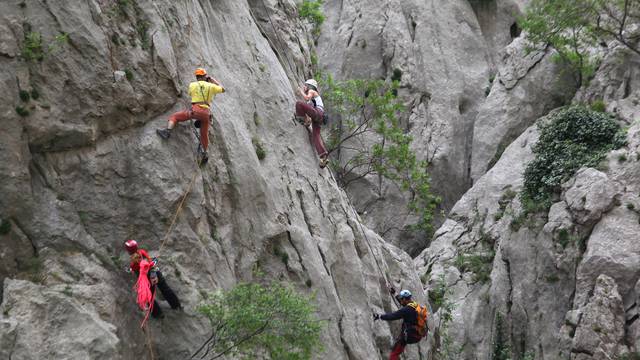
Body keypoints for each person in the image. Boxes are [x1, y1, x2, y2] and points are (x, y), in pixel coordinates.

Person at [157, 68, 225, 165]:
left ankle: (167, 132)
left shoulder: (192, 85)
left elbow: (190, 94)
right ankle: (205, 153)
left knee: (175, 117)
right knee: (204, 134)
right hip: (206, 114)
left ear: (197, 77)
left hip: (195, 111)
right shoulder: (211, 86)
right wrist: (212, 80)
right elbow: (223, 89)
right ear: (205, 76)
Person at [124, 239, 182, 318]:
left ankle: (158, 314)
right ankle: (176, 305)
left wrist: (129, 270)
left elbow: (134, 269)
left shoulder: (133, 264)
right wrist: (154, 274)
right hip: (155, 272)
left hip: (146, 279)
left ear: (128, 251)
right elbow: (151, 263)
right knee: (165, 288)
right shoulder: (142, 252)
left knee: (148, 296)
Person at [373, 289, 424, 360]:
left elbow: (393, 316)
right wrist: (394, 293)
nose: (401, 301)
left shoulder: (406, 310)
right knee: (398, 348)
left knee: (394, 353)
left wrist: (379, 316)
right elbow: (403, 303)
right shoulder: (416, 305)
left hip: (409, 335)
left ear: (405, 299)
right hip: (417, 334)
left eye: (401, 299)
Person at [295, 79, 329, 168]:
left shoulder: (311, 91)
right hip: (319, 117)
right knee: (316, 136)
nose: (304, 87)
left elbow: (306, 98)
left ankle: (305, 120)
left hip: (317, 113)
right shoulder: (316, 97)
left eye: (305, 85)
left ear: (309, 86)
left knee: (299, 104)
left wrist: (300, 91)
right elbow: (309, 106)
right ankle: (323, 156)